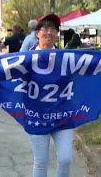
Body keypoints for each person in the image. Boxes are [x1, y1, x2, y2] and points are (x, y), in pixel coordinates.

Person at [28, 13, 73, 177]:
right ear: (37, 33)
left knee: (65, 159)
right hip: (37, 117)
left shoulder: (66, 58)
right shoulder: (26, 59)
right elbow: (2, 69)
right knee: (41, 161)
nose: (49, 32)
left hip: (62, 115)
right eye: (45, 28)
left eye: (53, 29)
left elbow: (91, 66)